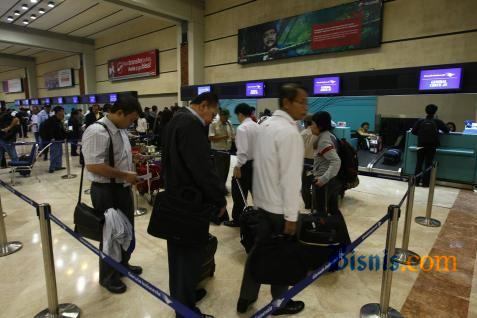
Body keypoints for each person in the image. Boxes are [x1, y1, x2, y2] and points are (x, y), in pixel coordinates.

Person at [237, 83, 307, 315]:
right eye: (301, 102)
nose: (305, 107)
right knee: (282, 256)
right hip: (280, 208)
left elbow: (259, 166)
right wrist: (291, 215)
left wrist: (258, 201)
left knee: (258, 252)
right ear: (286, 102)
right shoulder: (289, 132)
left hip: (263, 204)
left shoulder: (265, 125)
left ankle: (246, 297)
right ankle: (281, 302)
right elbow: (290, 178)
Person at [161, 92, 226, 318]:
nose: (211, 120)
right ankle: (185, 311)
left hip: (176, 198)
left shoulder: (175, 120)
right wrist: (219, 198)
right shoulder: (191, 125)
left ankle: (183, 296)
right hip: (189, 203)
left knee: (179, 257)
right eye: (213, 114)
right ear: (203, 106)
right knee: (187, 258)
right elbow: (202, 170)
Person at [81, 95, 143, 294]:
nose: (132, 123)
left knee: (126, 231)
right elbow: (94, 165)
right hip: (106, 191)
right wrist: (125, 174)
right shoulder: (97, 131)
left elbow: (116, 155)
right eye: (131, 119)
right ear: (118, 113)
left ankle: (123, 265)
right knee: (110, 235)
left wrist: (133, 157)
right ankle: (108, 277)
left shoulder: (120, 129)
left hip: (121, 188)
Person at [225, 103, 260, 227]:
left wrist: (238, 166)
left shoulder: (242, 128)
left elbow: (243, 151)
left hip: (244, 165)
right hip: (256, 164)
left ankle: (238, 219)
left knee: (238, 192)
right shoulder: (257, 126)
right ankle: (258, 217)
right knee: (256, 192)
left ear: (240, 114)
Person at [310, 111, 342, 217]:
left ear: (320, 126)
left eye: (312, 124)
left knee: (320, 214)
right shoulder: (329, 135)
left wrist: (323, 179)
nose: (310, 127)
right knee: (333, 211)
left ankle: (323, 231)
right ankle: (338, 233)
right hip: (332, 180)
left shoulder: (323, 140)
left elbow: (336, 161)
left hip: (323, 183)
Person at [412, 104, 449, 187]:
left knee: (419, 163)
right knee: (428, 164)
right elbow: (447, 130)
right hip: (432, 146)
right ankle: (425, 183)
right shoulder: (437, 121)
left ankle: (416, 182)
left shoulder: (420, 121)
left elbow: (413, 132)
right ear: (435, 112)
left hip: (421, 145)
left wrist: (421, 134)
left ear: (426, 111)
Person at [208, 108, 234, 187]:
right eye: (225, 117)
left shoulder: (229, 123)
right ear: (221, 116)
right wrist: (224, 137)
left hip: (227, 151)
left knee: (226, 171)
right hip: (218, 152)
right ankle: (219, 188)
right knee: (219, 172)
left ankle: (222, 186)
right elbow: (211, 138)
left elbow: (232, 135)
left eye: (228, 117)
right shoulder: (213, 124)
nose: (227, 119)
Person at [41, 106, 67, 173]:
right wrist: (51, 137)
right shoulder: (52, 120)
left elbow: (61, 129)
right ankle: (52, 167)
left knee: (59, 153)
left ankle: (58, 166)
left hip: (59, 139)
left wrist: (64, 137)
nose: (63, 113)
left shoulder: (59, 120)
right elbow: (49, 130)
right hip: (53, 140)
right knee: (54, 153)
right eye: (62, 111)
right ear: (58, 112)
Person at [300, 115, 318, 210]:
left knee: (305, 185)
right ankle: (316, 203)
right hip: (317, 161)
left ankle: (308, 204)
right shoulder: (318, 133)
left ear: (306, 123)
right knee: (316, 183)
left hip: (305, 162)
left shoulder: (303, 134)